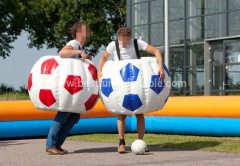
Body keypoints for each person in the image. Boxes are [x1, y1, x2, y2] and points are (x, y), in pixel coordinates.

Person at [98, 27, 165, 153]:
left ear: (130, 37)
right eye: (122, 40)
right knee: (121, 113)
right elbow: (103, 59)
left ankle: (141, 142)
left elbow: (155, 50)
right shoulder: (113, 45)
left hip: (137, 81)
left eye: (127, 40)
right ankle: (121, 142)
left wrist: (160, 67)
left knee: (139, 113)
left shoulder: (137, 43)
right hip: (120, 82)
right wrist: (99, 71)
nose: (125, 43)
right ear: (118, 38)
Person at [46, 21, 91, 155]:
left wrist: (85, 57)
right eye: (84, 30)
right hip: (68, 88)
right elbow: (62, 52)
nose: (87, 33)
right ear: (78, 33)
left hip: (74, 87)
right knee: (63, 114)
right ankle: (51, 144)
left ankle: (57, 144)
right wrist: (79, 52)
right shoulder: (74, 43)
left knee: (74, 116)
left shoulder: (80, 47)